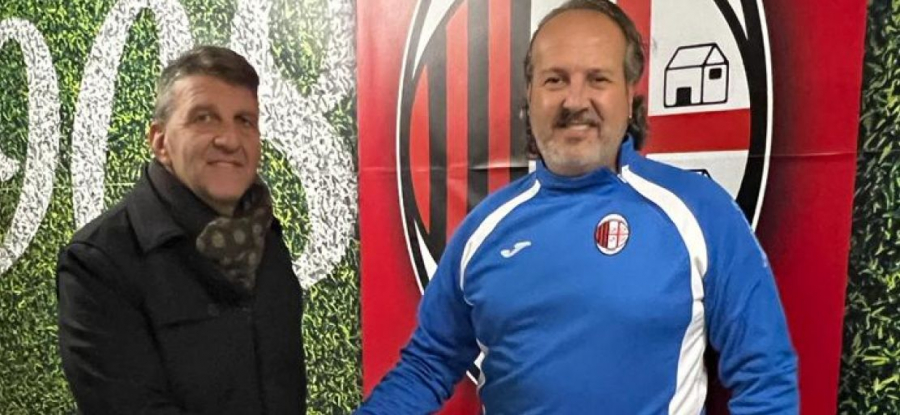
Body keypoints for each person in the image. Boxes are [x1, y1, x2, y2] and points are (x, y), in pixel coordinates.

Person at [356, 1, 798, 413]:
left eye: (598, 79)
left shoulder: (701, 212)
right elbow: (427, 365)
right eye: (555, 80)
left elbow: (765, 373)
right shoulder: (483, 229)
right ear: (530, 96)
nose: (574, 101)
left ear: (630, 95)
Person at [57, 45, 306, 414]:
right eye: (204, 118)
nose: (230, 139)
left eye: (244, 120)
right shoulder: (98, 263)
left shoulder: (267, 239)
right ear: (160, 141)